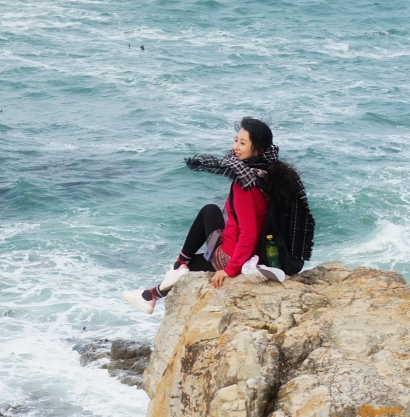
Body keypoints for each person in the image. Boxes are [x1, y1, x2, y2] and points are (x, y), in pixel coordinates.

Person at [121, 117, 305, 314]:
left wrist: (229, 269)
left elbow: (249, 233)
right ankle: (163, 281)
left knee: (187, 267)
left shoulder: (244, 185)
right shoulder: (271, 173)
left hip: (233, 254)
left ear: (258, 149)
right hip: (259, 251)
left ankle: (153, 293)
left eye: (243, 143)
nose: (236, 146)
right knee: (210, 211)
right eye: (236, 140)